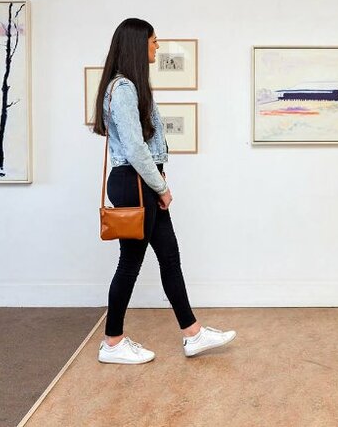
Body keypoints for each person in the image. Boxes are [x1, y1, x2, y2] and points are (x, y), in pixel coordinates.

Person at [93, 18, 236, 365]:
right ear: (137, 45)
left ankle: (193, 333)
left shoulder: (130, 87)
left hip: (141, 180)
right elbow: (136, 148)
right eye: (154, 42)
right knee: (130, 263)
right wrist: (161, 186)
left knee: (169, 255)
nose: (157, 47)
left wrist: (157, 179)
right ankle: (113, 342)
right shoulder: (124, 89)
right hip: (137, 183)